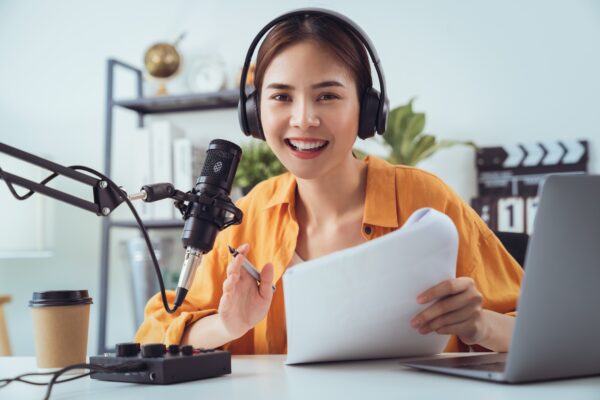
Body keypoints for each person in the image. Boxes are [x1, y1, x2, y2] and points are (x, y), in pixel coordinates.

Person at [135, 9, 522, 354]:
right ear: (254, 114)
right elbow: (153, 334)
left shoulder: (427, 200)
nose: (303, 119)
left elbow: (547, 330)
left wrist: (482, 324)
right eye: (282, 97)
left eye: (327, 96)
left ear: (368, 111)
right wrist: (227, 326)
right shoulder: (246, 218)